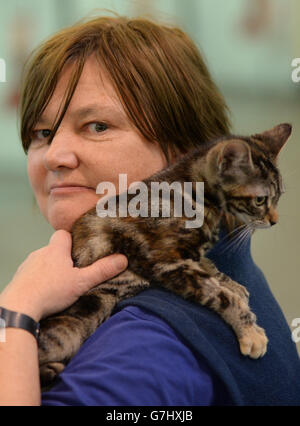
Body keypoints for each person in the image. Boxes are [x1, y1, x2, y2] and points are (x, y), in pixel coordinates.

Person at [0, 15, 299, 406]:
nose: (54, 155)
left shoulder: (149, 346)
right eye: (43, 133)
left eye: (97, 126)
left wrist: (14, 315)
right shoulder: (207, 262)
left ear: (185, 153)